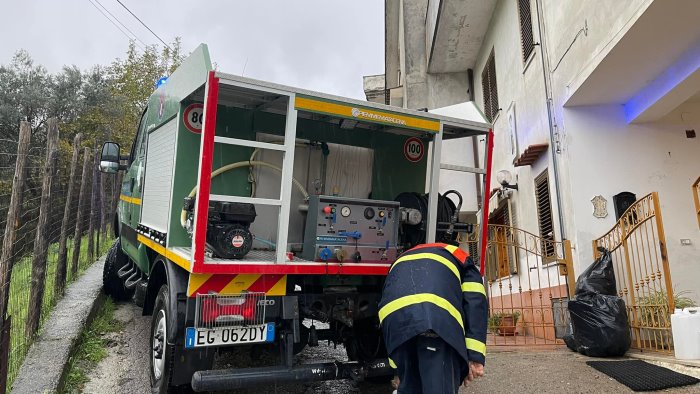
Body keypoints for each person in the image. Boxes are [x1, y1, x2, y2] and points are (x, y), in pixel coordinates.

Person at [379, 242, 487, 394]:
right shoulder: (460, 257)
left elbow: (389, 308)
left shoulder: (401, 259)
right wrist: (475, 357)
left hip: (396, 324)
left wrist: (398, 370)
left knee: (409, 388)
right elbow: (475, 303)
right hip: (435, 323)